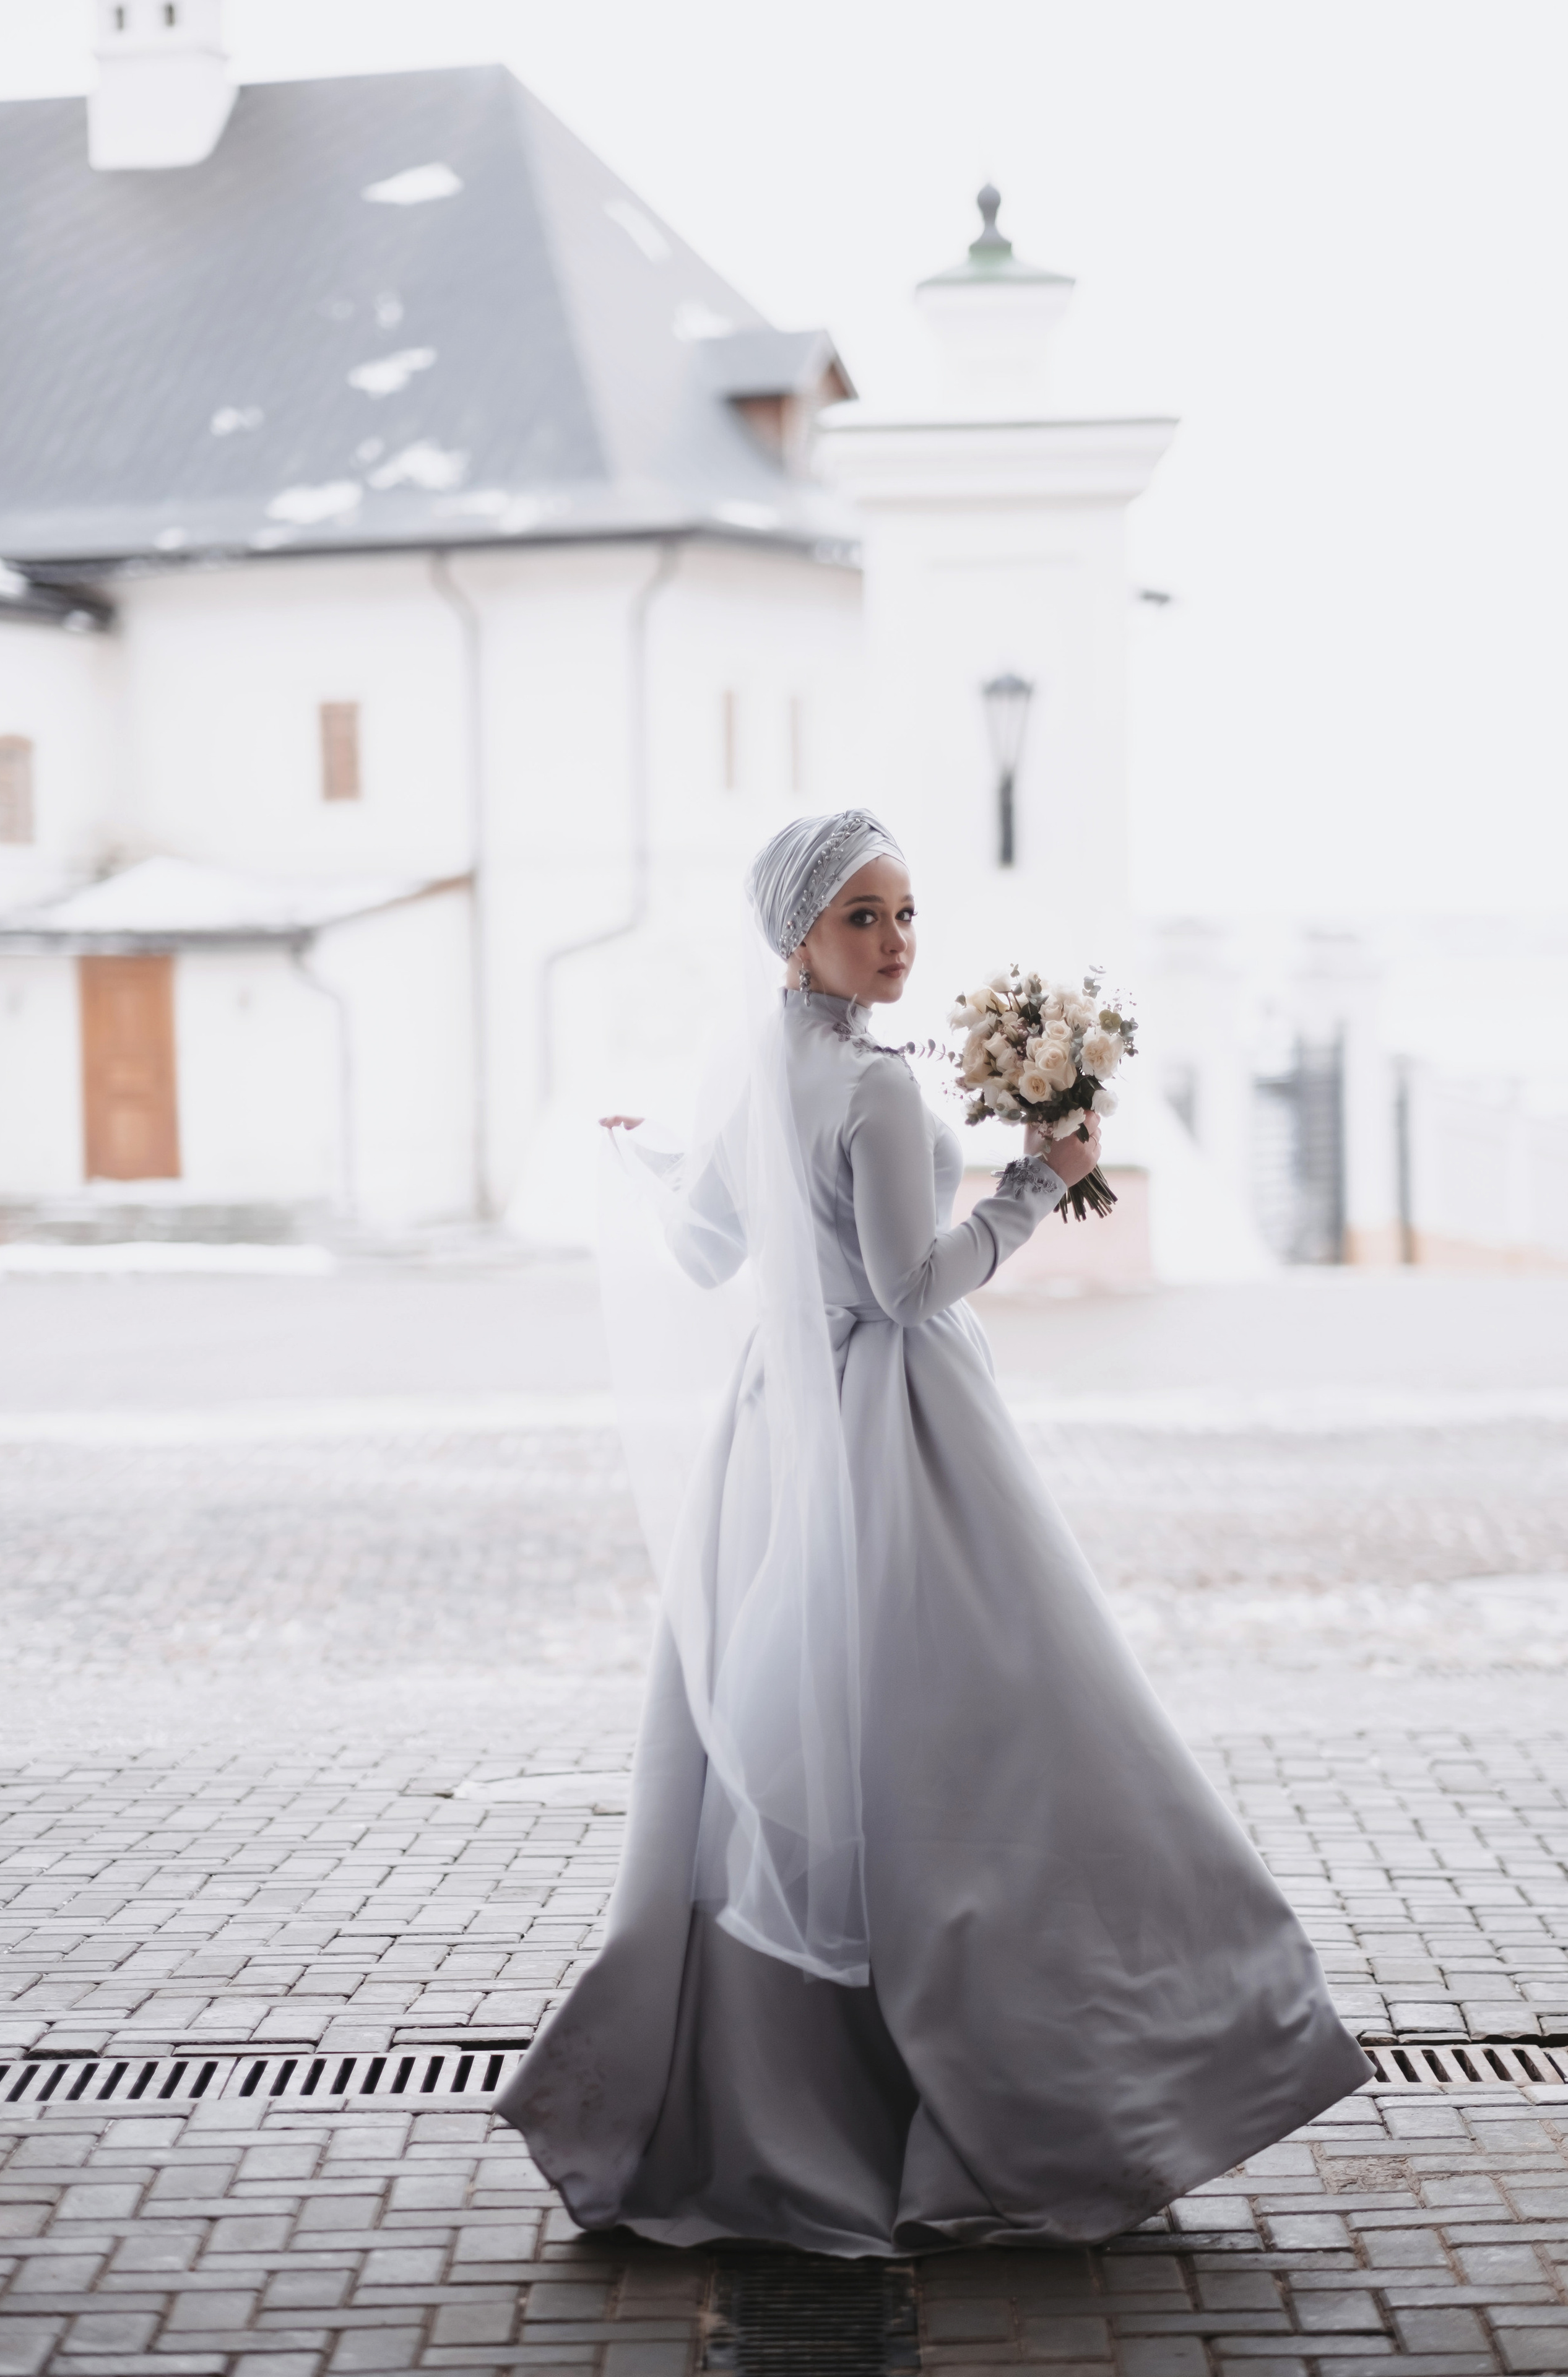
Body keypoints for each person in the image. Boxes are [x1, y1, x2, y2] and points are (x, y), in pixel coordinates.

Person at [497, 808, 1368, 2255]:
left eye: (906, 913)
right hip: (894, 1430)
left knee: (774, 1735)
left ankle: (762, 2092)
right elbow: (911, 1288)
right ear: (797, 932)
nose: (895, 943)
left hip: (776, 1430)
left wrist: (653, 1159)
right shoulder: (879, 1092)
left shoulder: (750, 1060)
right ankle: (1088, 2067)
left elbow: (709, 1245)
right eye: (862, 917)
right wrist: (1039, 1174)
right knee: (1013, 1719)